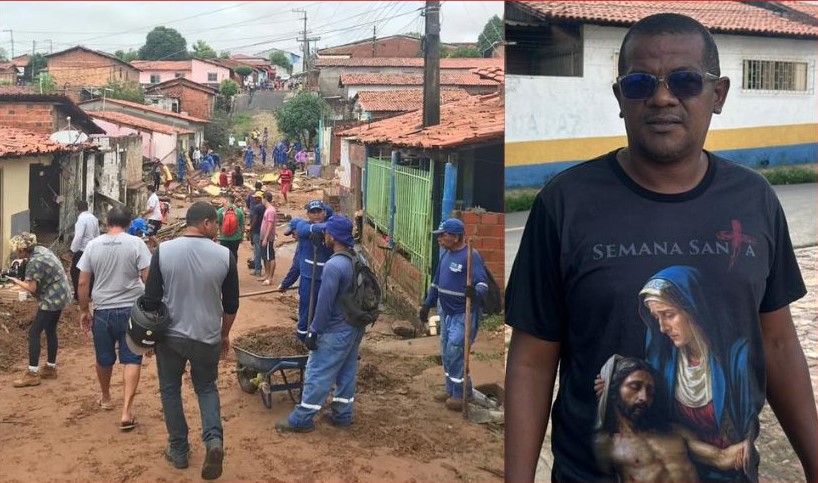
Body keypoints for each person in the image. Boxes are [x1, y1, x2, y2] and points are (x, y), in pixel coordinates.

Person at [504, 13, 817, 483]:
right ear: (620, 97)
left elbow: (775, 340)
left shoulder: (754, 201)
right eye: (639, 82)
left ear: (719, 95)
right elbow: (532, 358)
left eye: (686, 81)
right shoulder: (565, 204)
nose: (662, 97)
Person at [141, 202, 239, 479]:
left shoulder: (164, 251)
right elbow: (231, 304)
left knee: (170, 390)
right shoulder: (224, 256)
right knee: (207, 388)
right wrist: (223, 334)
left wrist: (150, 338)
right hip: (206, 337)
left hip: (170, 337)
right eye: (216, 223)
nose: (218, 228)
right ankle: (214, 441)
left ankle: (179, 450)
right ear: (206, 223)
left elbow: (151, 300)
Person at [594, 356, 750, 482]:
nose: (644, 397)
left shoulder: (674, 431)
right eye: (635, 387)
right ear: (613, 391)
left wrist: (750, 445)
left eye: (650, 391)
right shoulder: (605, 444)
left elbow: (721, 458)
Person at [275, 215, 365, 432]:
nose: (324, 236)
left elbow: (323, 305)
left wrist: (313, 331)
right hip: (355, 326)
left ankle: (301, 419)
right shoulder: (359, 259)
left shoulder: (334, 266)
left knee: (318, 372)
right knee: (346, 371)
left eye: (326, 233)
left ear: (332, 236)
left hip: (334, 329)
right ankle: (342, 415)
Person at [77, 206, 152, 430]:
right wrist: (151, 311)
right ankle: (127, 411)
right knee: (131, 358)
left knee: (104, 357)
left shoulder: (92, 245)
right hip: (132, 311)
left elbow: (82, 282)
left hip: (103, 311)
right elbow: (148, 278)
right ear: (129, 224)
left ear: (107, 222)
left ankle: (106, 396)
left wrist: (83, 310)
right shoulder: (136, 243)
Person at [418, 218, 488, 410]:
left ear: (456, 237)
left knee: (455, 352)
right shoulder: (445, 256)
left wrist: (475, 292)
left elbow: (482, 283)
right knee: (447, 353)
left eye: (443, 235)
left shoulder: (471, 257)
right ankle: (451, 388)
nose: (439, 239)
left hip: (463, 314)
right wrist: (427, 304)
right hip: (447, 313)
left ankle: (462, 394)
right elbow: (436, 283)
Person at [8, 233, 72, 388]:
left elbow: (32, 287)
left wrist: (15, 280)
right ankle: (50, 367)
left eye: (17, 249)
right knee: (50, 329)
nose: (15, 251)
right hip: (62, 294)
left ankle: (32, 373)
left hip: (51, 298)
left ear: (23, 250)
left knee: (34, 332)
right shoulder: (41, 250)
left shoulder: (34, 263)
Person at [277, 200, 333, 341]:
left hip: (327, 280)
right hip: (309, 279)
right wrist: (285, 284)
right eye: (312, 212)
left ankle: (320, 340)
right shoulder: (304, 234)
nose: (316, 215)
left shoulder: (330, 230)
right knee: (306, 311)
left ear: (324, 212)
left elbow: (296, 266)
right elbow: (296, 266)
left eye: (318, 211)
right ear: (308, 214)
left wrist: (319, 229)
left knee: (324, 311)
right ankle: (303, 340)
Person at [69, 199, 99, 301]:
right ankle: (89, 294)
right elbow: (97, 235)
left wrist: (72, 250)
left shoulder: (81, 219)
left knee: (75, 272)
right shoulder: (94, 218)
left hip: (82, 250)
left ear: (77, 209)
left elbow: (78, 236)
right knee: (90, 272)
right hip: (92, 249)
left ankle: (78, 296)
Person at [216, 193, 245, 264]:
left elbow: (216, 224)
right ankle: (234, 269)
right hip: (236, 238)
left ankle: (226, 271)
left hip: (224, 238)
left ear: (226, 201)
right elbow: (242, 225)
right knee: (234, 254)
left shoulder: (220, 211)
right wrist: (241, 236)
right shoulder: (239, 211)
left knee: (225, 255)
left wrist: (217, 235)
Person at [259, 191, 277, 286]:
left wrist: (266, 237)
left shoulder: (270, 210)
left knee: (270, 257)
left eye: (262, 198)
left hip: (268, 237)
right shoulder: (268, 210)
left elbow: (270, 224)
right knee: (265, 256)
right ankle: (267, 274)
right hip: (265, 236)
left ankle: (270, 278)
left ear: (265, 199)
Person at [248, 191, 266, 278]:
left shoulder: (256, 208)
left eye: (255, 198)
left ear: (259, 198)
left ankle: (258, 270)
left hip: (256, 231)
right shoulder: (265, 207)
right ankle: (266, 270)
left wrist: (250, 229)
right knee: (264, 251)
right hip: (264, 231)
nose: (254, 199)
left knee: (257, 251)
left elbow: (254, 220)